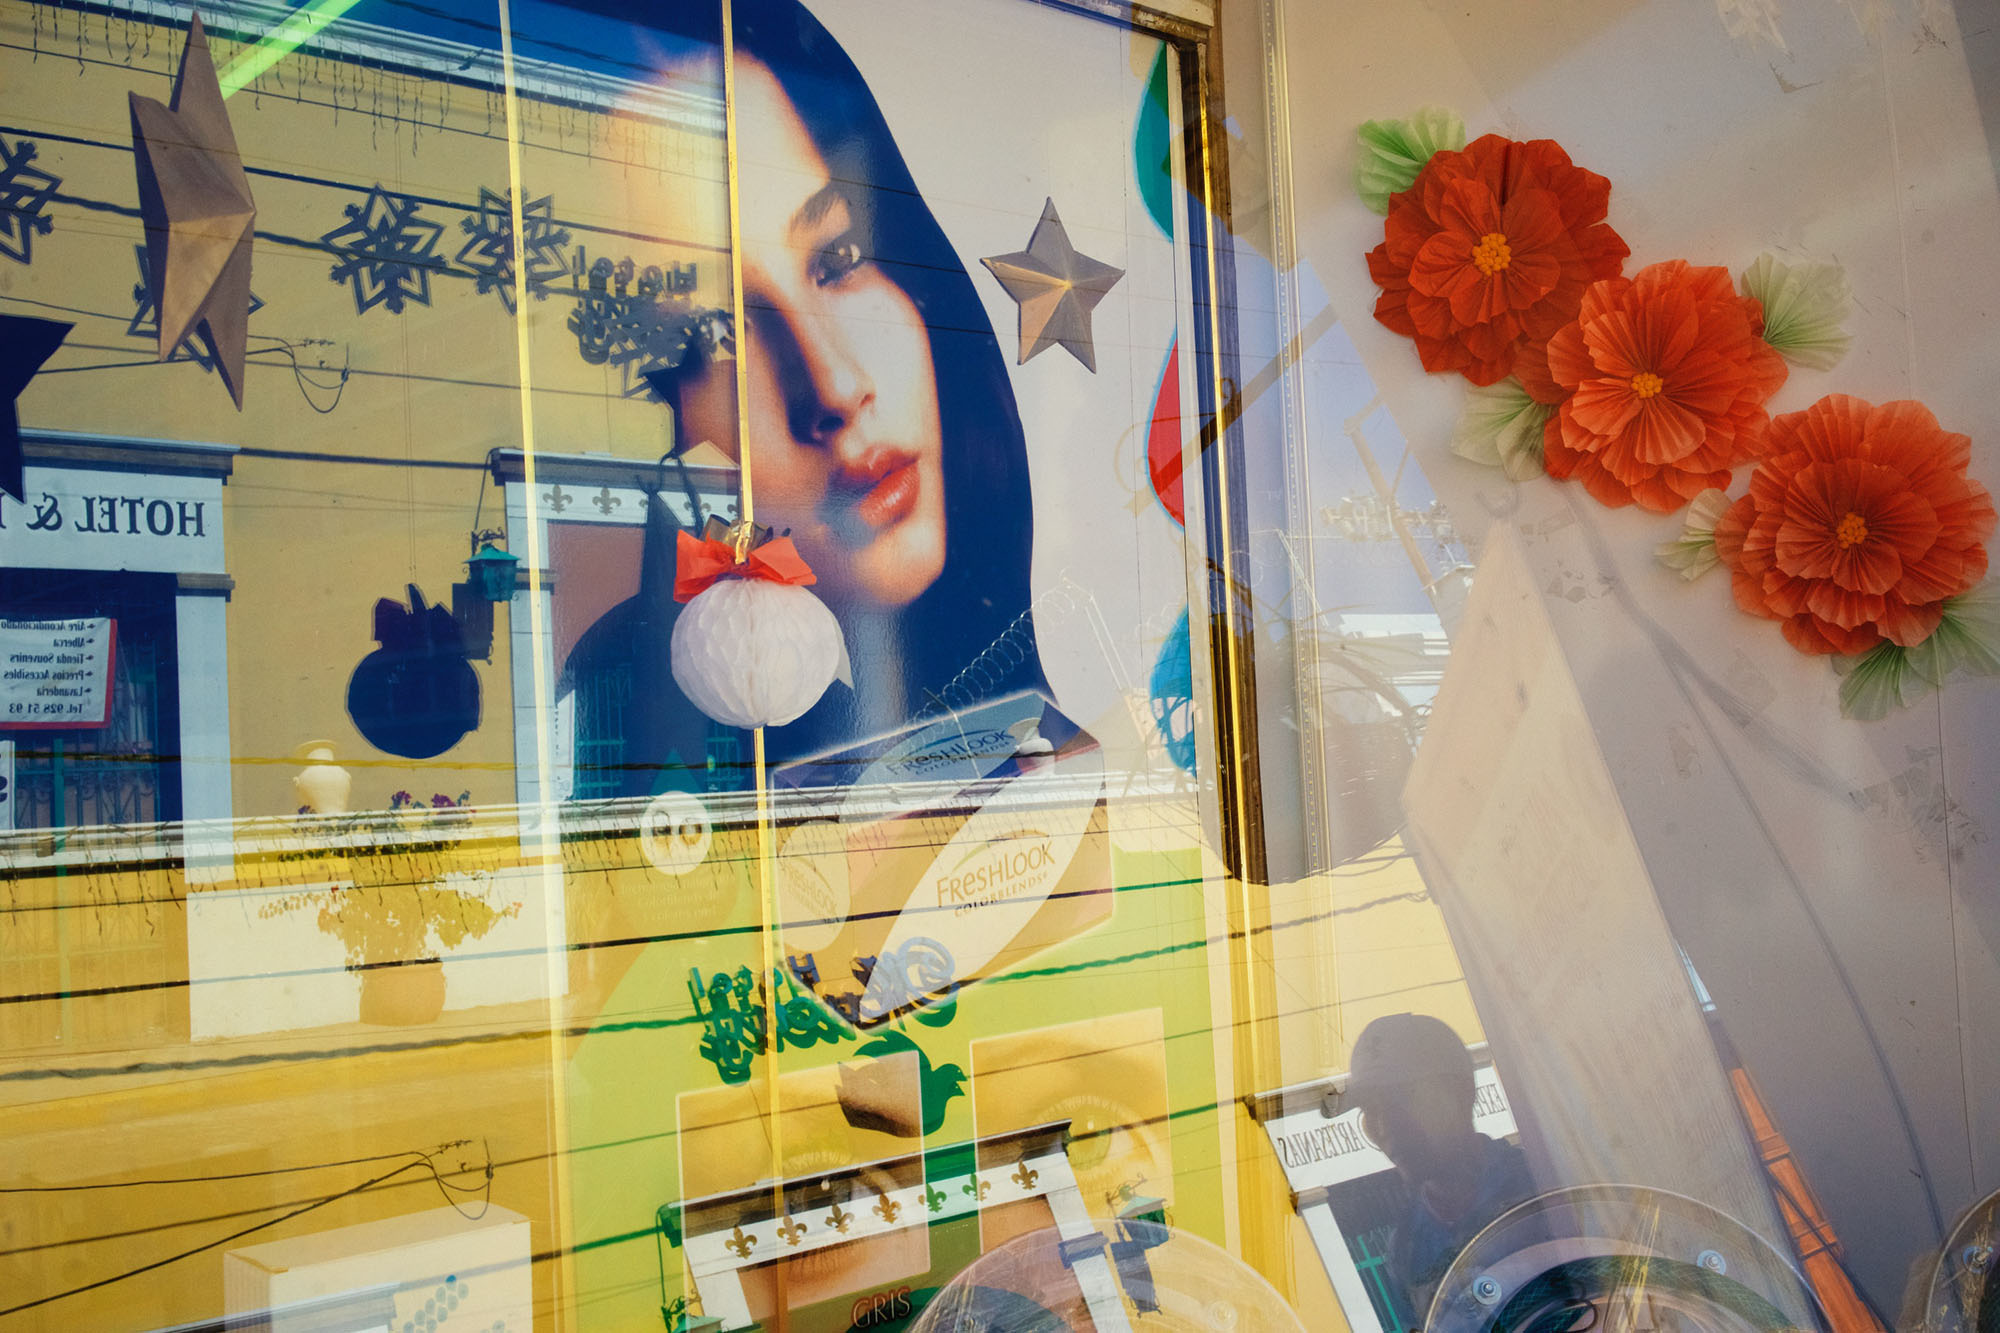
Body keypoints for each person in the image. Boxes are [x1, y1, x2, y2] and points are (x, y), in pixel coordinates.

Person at [567, 0, 1051, 792]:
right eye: (712, 337)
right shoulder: (660, 700)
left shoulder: (1078, 687)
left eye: (839, 256)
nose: (835, 385)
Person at [1345, 1013, 1537, 1328]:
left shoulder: (1537, 1180)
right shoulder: (1407, 1248)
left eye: (1400, 1100)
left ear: (1461, 1094)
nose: (1385, 1126)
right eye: (1370, 1110)